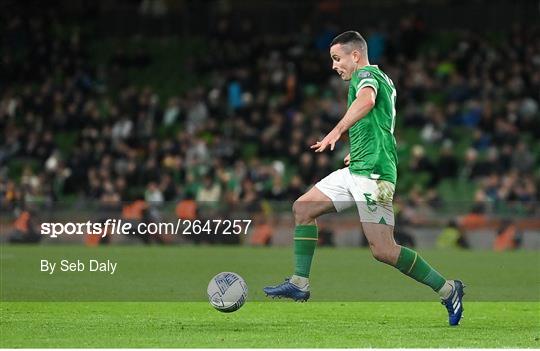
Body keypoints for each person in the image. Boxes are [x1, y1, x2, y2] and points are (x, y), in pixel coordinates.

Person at [263, 31, 465, 326]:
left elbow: (367, 102)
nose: (334, 66)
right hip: (359, 166)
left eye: (337, 58)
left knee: (383, 250)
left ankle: (448, 290)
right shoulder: (381, 77)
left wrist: (335, 131)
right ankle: (299, 283)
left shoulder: (365, 75)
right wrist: (354, 146)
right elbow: (377, 121)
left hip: (375, 174)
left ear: (354, 55)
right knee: (303, 208)